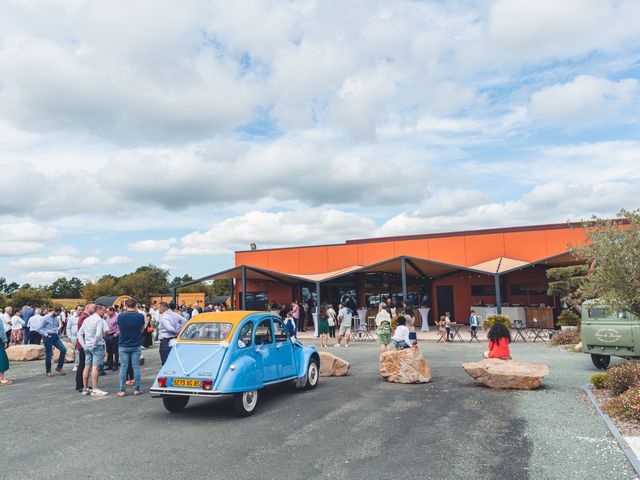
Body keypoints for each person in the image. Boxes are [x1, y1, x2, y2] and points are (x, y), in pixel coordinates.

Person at [77, 304, 109, 396]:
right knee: (95, 367)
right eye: (103, 310)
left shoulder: (87, 319)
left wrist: (84, 345)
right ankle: (95, 389)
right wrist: (94, 344)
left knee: (87, 366)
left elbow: (79, 333)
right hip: (96, 346)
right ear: (98, 310)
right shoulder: (99, 320)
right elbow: (99, 334)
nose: (104, 312)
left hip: (87, 346)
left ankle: (85, 388)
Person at [117, 298, 145, 396]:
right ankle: (137, 389)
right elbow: (142, 329)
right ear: (135, 305)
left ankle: (122, 390)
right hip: (136, 344)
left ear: (126, 306)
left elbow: (119, 329)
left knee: (123, 367)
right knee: (136, 367)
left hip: (123, 344)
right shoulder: (140, 316)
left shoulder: (120, 317)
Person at [35, 307, 67, 377]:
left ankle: (59, 367)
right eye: (57, 313)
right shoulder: (45, 317)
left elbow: (55, 327)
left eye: (59, 314)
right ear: (54, 311)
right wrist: (46, 335)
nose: (57, 315)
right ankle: (48, 371)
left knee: (63, 349)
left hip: (55, 336)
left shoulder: (56, 318)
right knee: (49, 354)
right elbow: (39, 329)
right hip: (48, 337)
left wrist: (57, 334)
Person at [75, 303, 94, 391]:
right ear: (87, 307)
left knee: (83, 365)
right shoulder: (85, 317)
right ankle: (80, 385)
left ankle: (81, 385)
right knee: (83, 365)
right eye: (93, 307)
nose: (95, 308)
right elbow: (86, 332)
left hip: (82, 343)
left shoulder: (84, 316)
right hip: (83, 344)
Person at [105, 306, 119, 371]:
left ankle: (116, 365)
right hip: (108, 335)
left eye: (108, 311)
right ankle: (110, 365)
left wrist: (115, 336)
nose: (107, 312)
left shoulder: (117, 317)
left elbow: (120, 328)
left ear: (113, 311)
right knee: (109, 351)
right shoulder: (107, 317)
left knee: (115, 351)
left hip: (114, 335)